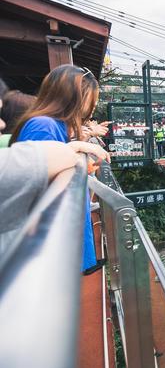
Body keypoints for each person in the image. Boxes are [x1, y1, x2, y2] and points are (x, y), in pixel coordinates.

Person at [10, 64, 104, 274]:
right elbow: (33, 175)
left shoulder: (54, 125)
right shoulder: (43, 126)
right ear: (72, 96)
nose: (94, 104)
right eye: (91, 97)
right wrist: (76, 148)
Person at [0, 140, 110, 253]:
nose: (2, 124)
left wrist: (77, 147)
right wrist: (77, 147)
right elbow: (51, 159)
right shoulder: (42, 125)